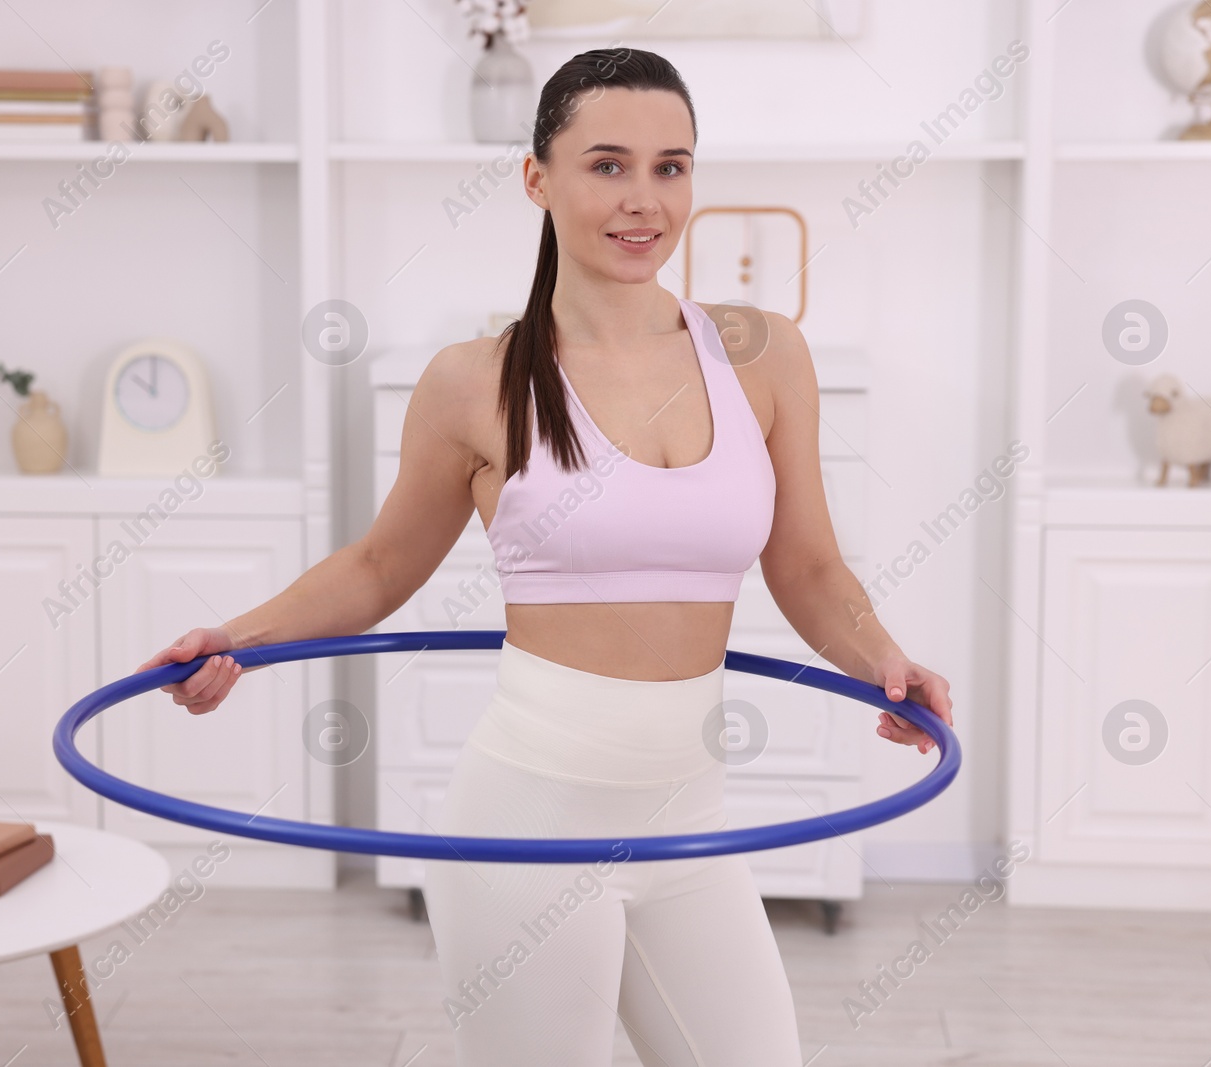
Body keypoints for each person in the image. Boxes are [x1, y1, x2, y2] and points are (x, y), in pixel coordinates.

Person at [140, 45, 954, 1067]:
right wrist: (241, 637)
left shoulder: (765, 355)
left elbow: (811, 570)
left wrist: (882, 656)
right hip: (523, 832)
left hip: (686, 824)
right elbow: (380, 564)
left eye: (671, 166)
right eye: (607, 164)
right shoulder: (471, 381)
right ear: (537, 177)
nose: (643, 200)